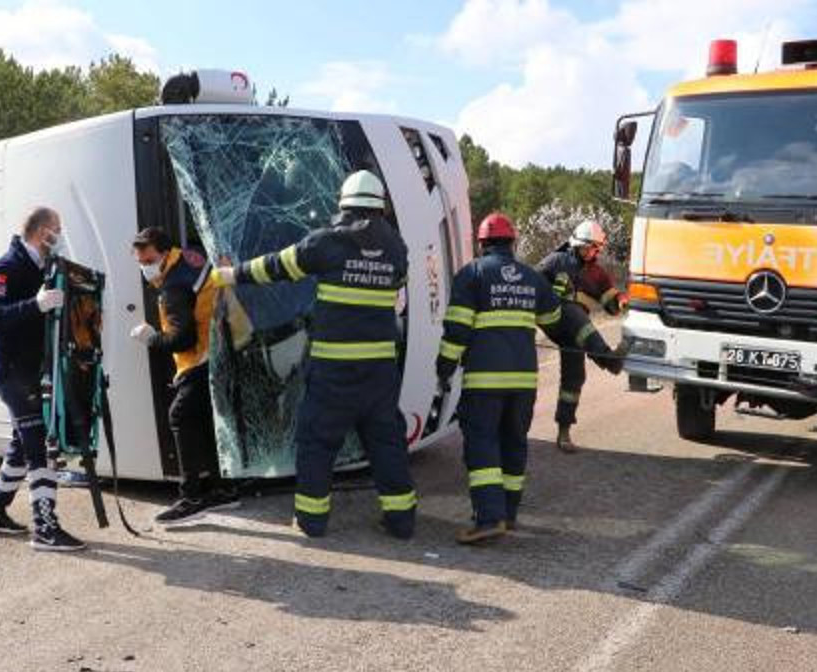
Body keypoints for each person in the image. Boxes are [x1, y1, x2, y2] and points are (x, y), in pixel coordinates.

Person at [212, 170, 416, 539]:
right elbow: (398, 284)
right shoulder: (397, 246)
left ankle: (311, 521)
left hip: (334, 369)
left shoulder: (327, 242)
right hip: (379, 371)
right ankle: (401, 521)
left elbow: (276, 266)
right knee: (386, 443)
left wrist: (230, 275)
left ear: (344, 205)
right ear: (379, 205)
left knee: (317, 442)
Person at [436, 212, 618, 544]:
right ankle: (509, 514)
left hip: (485, 382)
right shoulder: (531, 277)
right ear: (512, 242)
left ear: (482, 243)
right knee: (514, 443)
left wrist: (444, 369)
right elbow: (551, 316)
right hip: (523, 381)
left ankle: (489, 519)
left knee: (482, 445)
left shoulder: (471, 275)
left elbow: (457, 329)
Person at [0, 207, 86, 551]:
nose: (60, 235)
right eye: (57, 229)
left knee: (22, 444)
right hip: (11, 371)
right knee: (39, 442)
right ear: (42, 232)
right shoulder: (5, 268)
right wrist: (35, 305)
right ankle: (45, 527)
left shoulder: (43, 268)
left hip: (28, 371)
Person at [128, 226, 240, 525]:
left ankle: (192, 498)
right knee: (203, 420)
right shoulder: (190, 259)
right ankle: (223, 489)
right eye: (140, 261)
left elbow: (182, 340)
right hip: (220, 351)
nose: (145, 267)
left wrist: (151, 337)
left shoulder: (173, 286)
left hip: (201, 357)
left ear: (164, 253)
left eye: (148, 260)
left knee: (180, 416)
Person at [536, 220, 628, 453]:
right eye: (591, 247)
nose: (595, 252)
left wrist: (622, 301)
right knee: (574, 311)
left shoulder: (597, 274)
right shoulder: (556, 261)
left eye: (598, 248)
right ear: (578, 245)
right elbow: (531, 285)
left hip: (576, 333)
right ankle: (609, 359)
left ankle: (563, 433)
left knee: (575, 378)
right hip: (554, 320)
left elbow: (611, 306)